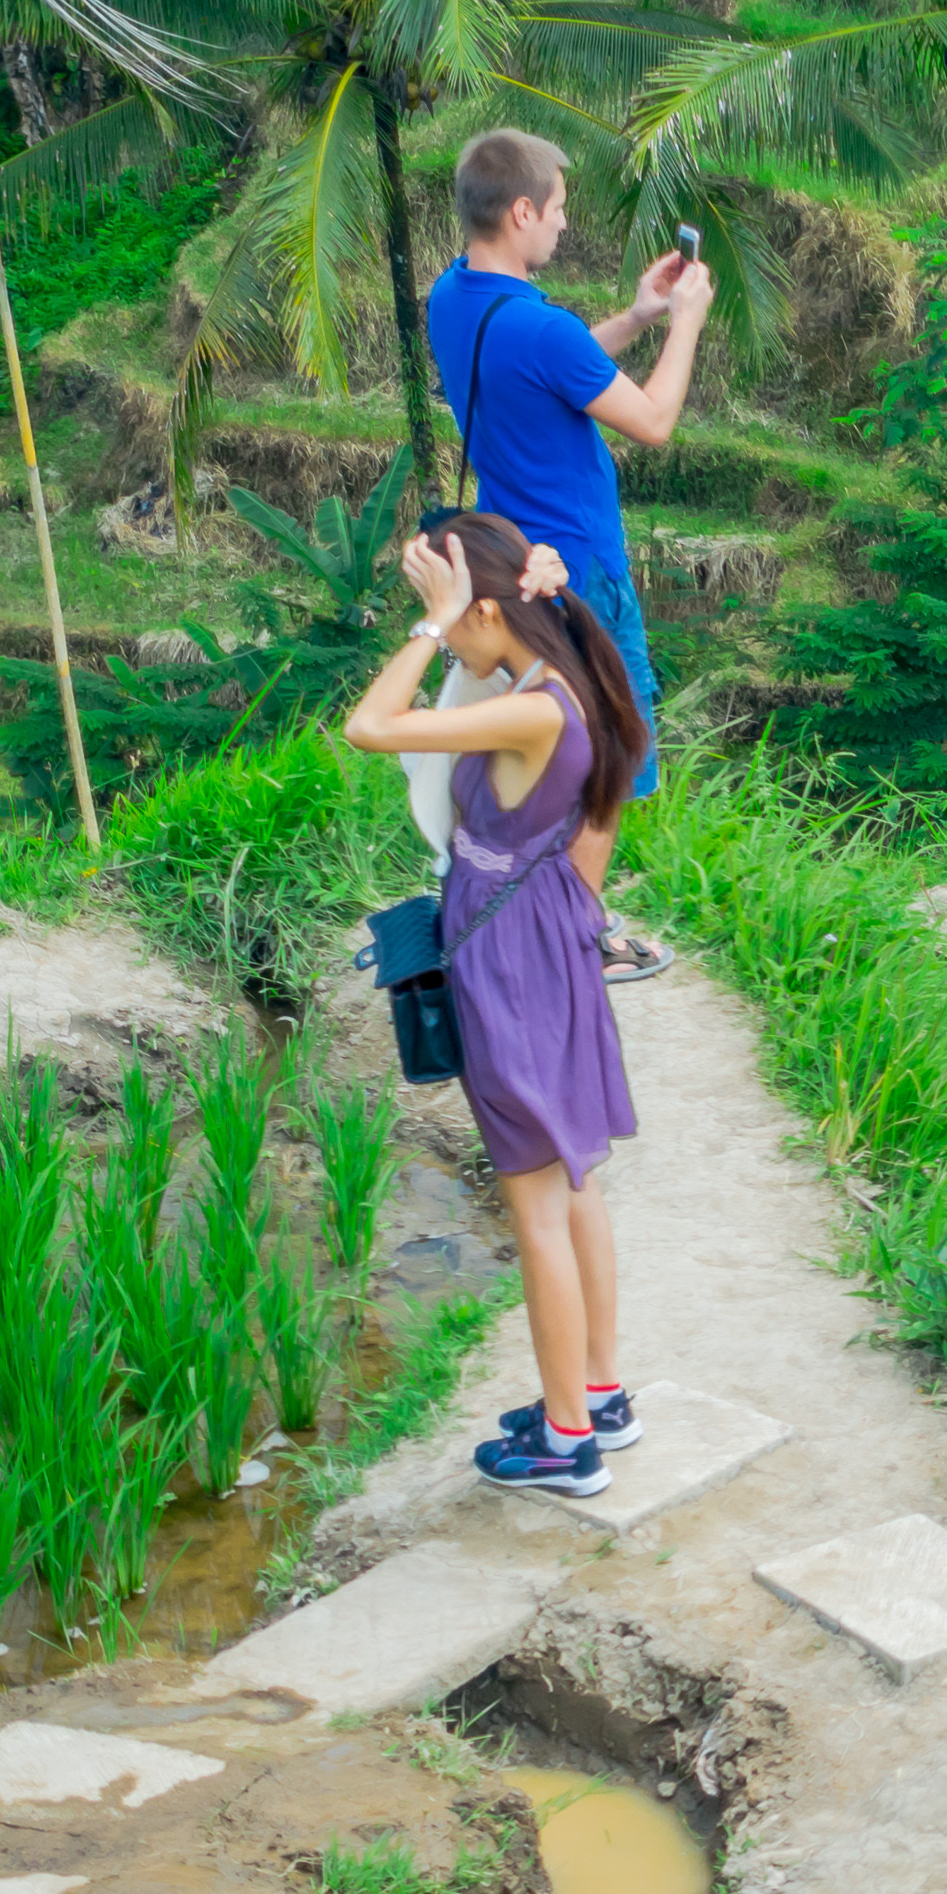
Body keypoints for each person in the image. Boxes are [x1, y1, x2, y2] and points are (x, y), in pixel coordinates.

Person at [343, 512, 648, 1497]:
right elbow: (589, 834)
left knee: (537, 1211)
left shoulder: (534, 709)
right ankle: (596, 1392)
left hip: (510, 965)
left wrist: (432, 624)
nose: (445, 641)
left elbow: (371, 726)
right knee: (572, 1185)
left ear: (484, 609)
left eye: (452, 617)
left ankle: (567, 1444)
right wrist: (492, 598)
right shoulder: (558, 681)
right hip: (546, 945)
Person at [427, 128, 714, 982]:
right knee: (610, 757)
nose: (563, 221)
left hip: (518, 562)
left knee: (553, 751)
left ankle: (550, 915)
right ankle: (577, 942)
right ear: (521, 212)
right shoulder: (538, 327)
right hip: (583, 572)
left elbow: (550, 366)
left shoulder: (455, 294)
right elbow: (654, 420)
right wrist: (684, 324)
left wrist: (635, 315)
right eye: (556, 208)